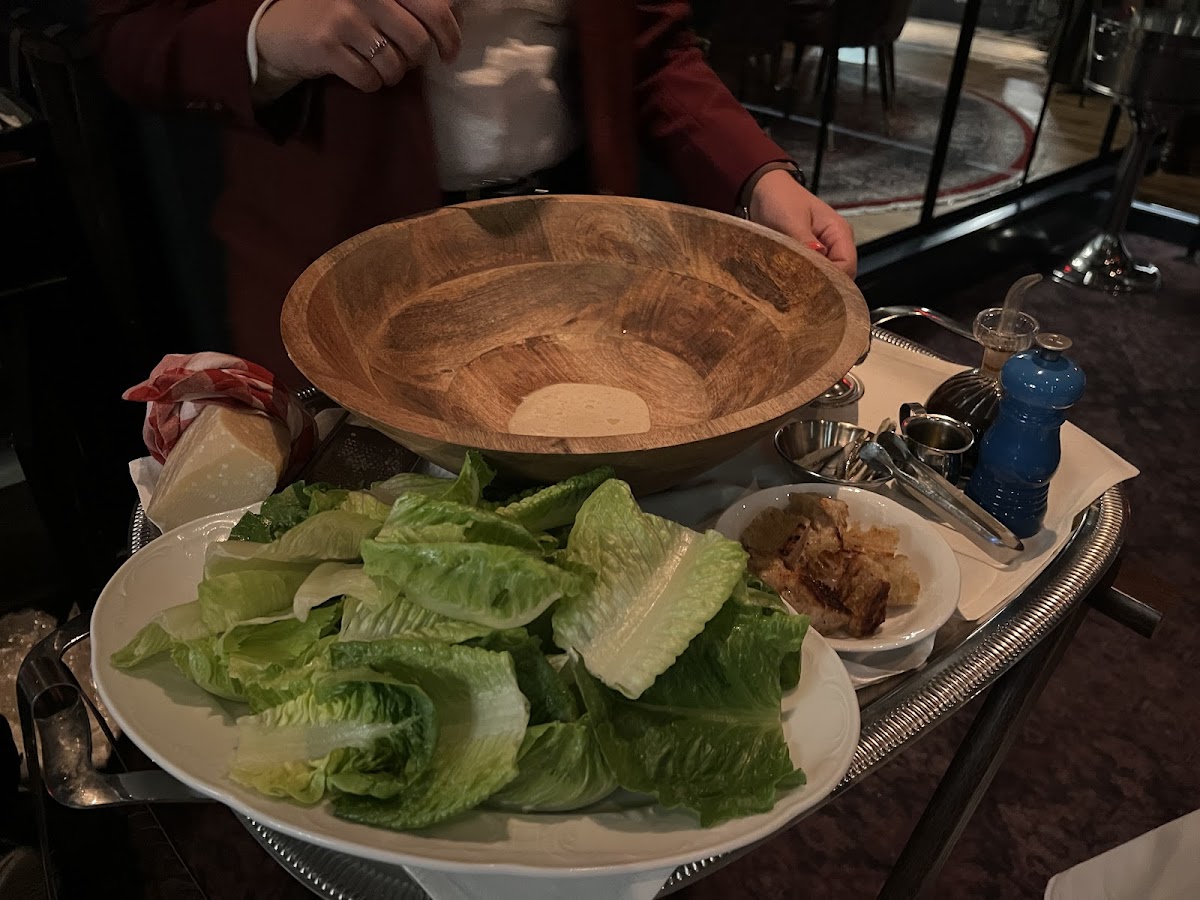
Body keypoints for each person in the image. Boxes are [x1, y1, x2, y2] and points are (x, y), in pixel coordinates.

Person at [89, 0, 857, 381]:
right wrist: (269, 29)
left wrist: (758, 175)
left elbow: (650, 48)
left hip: (575, 256)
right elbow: (127, 32)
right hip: (342, 276)